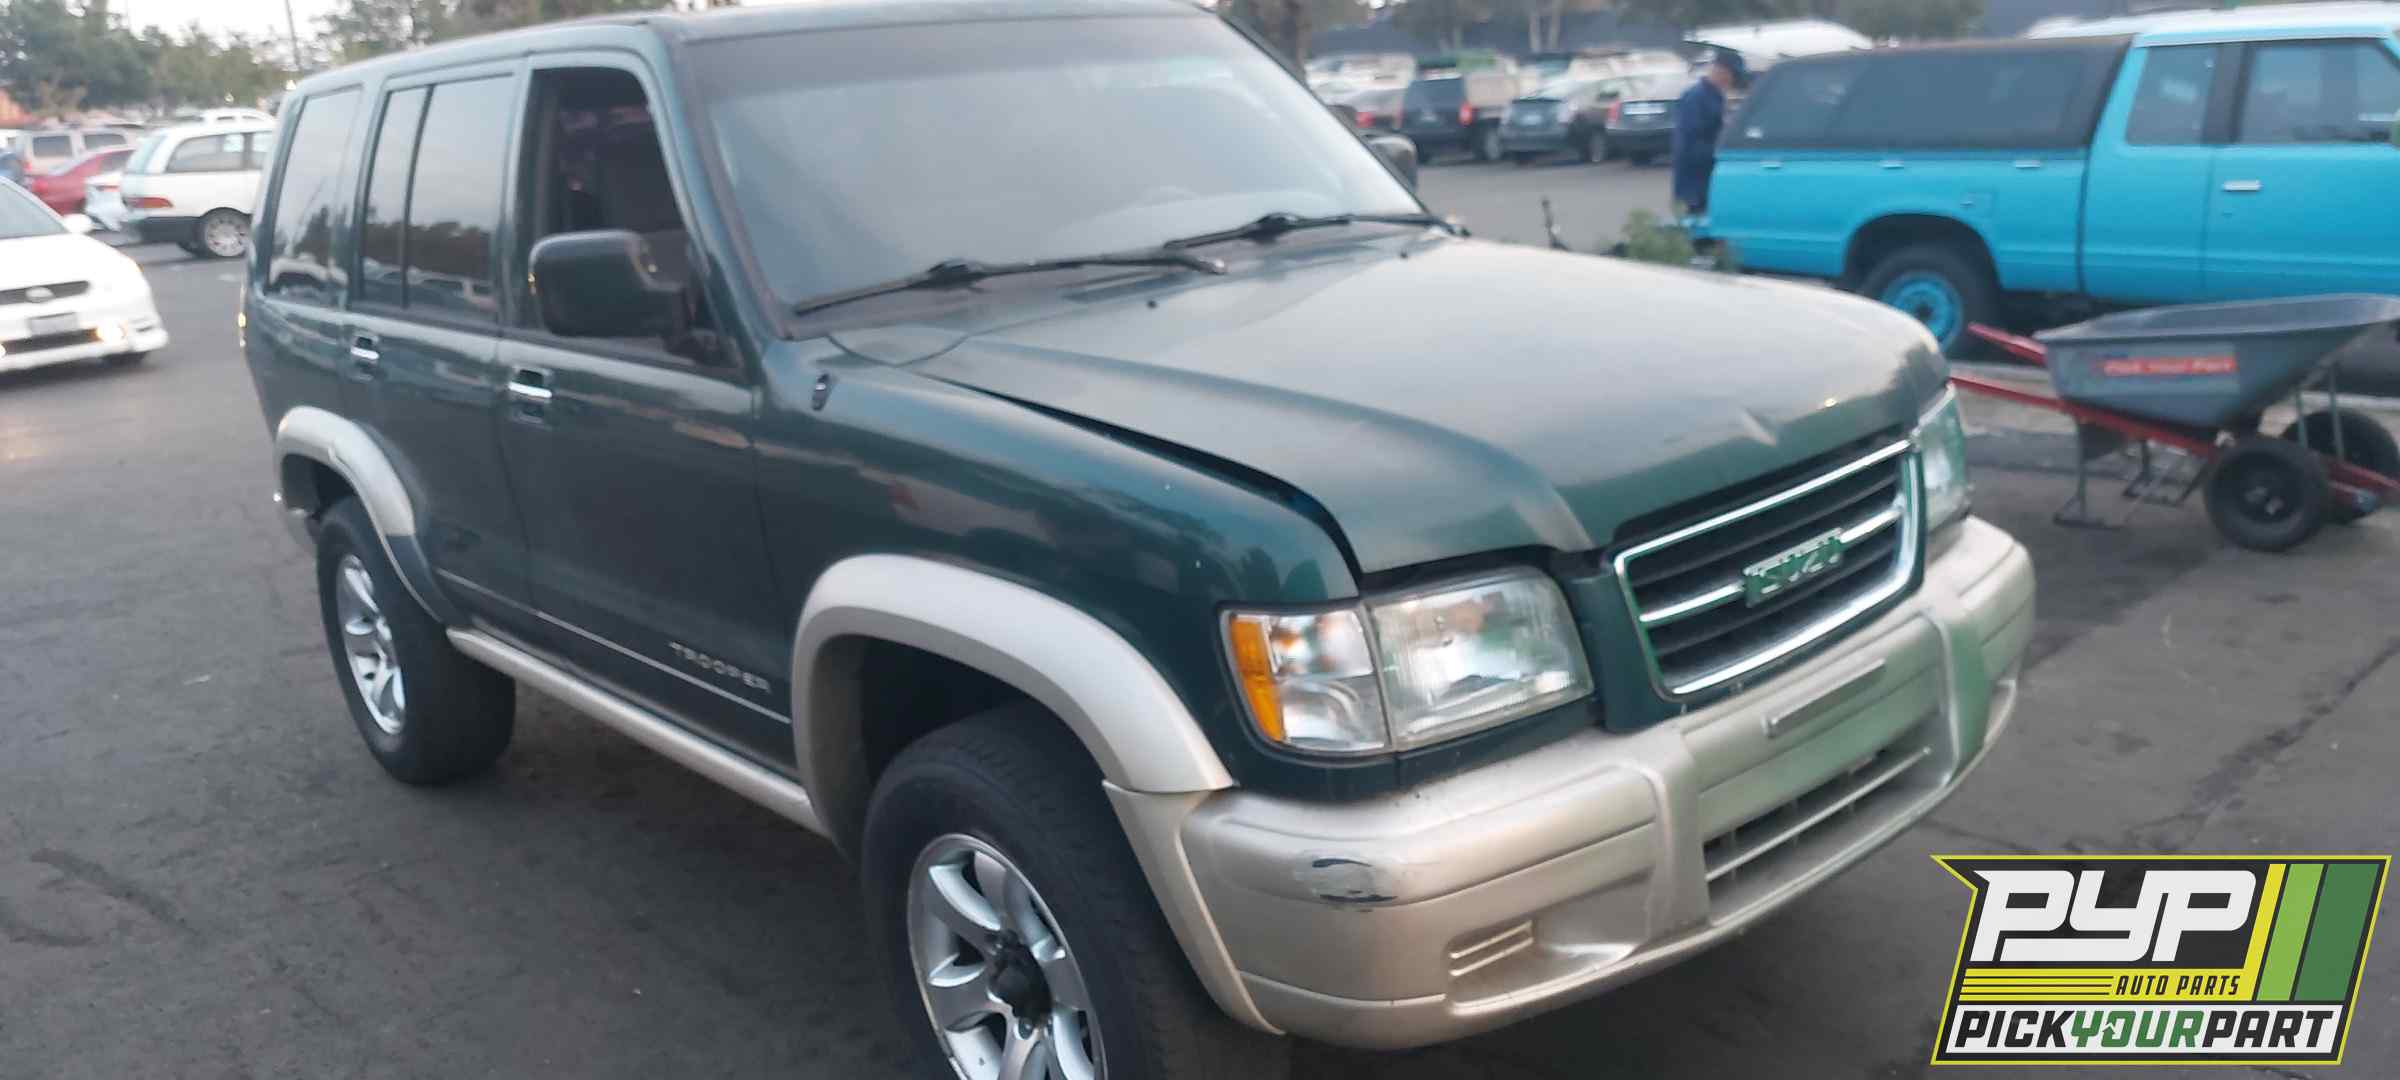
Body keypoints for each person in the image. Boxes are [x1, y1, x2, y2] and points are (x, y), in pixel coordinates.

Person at [1670, 49, 1747, 218]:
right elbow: (1690, 143)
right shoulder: (1695, 98)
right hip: (1694, 184)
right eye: (1732, 75)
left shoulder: (1715, 96)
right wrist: (1721, 152)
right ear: (1721, 70)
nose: (1732, 81)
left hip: (1707, 179)